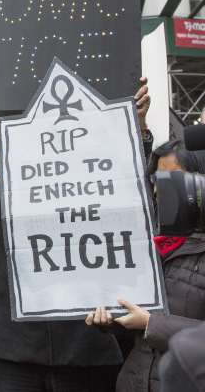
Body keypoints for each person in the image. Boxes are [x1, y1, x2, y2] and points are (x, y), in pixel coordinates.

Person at [0, 102, 138, 391]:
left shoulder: (93, 191)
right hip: (17, 346)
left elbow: (127, 177)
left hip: (83, 342)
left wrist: (139, 129)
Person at [85, 139, 205, 391]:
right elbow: (142, 320)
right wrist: (114, 319)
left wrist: (152, 324)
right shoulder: (151, 240)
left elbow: (151, 322)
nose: (160, 189)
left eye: (173, 178)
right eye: (157, 179)